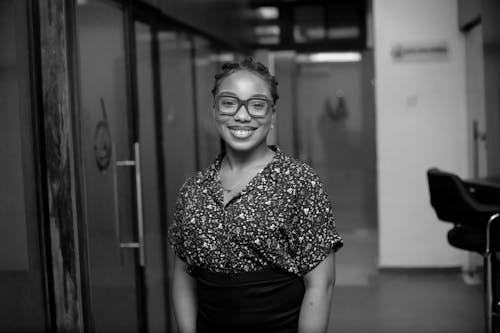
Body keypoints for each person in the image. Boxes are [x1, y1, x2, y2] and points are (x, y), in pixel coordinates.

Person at [169, 57, 343, 333]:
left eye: (257, 105)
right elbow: (183, 275)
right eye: (229, 102)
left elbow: (320, 284)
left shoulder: (300, 183)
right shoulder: (193, 190)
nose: (242, 115)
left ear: (272, 115)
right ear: (214, 110)